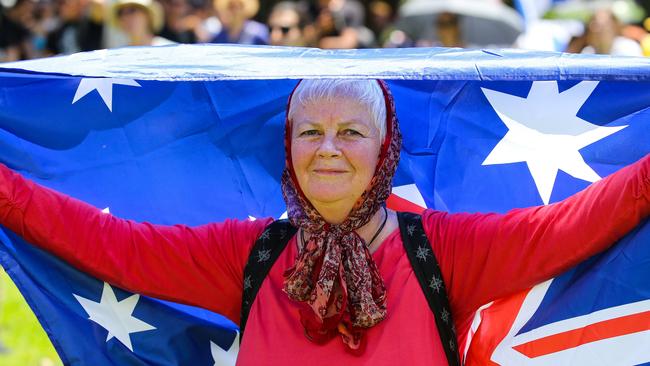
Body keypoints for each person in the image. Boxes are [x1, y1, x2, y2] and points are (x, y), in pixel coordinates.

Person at [0, 79, 648, 365]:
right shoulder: (248, 252)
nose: (328, 148)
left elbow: (572, 226)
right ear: (287, 148)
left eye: (350, 132)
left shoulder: (442, 248)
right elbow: (110, 245)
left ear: (385, 148)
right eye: (309, 131)